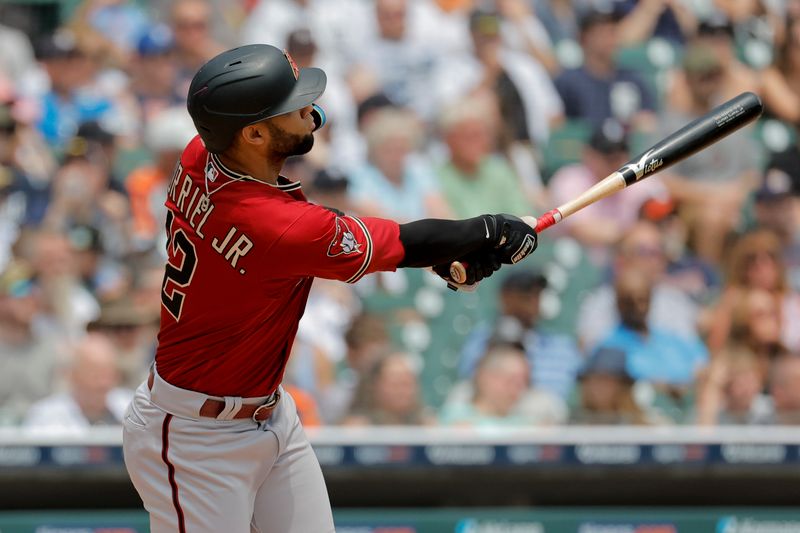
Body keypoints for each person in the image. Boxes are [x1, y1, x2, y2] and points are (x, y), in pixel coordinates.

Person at [121, 43, 539, 533]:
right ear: (253, 133)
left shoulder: (202, 153)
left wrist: (444, 254)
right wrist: (488, 230)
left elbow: (342, 239)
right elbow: (398, 241)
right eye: (292, 105)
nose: (310, 109)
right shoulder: (273, 224)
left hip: (268, 415)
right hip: (196, 439)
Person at [458, 269, 582, 400]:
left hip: (542, 414)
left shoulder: (559, 344)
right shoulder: (482, 338)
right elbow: (471, 378)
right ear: (504, 297)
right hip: (496, 410)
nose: (532, 302)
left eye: (537, 295)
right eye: (525, 295)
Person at [23, 333, 133, 431]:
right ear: (72, 375)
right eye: (95, 375)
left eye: (110, 375)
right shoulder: (44, 417)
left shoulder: (134, 407)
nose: (103, 383)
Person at [441, 345, 567, 427]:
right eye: (513, 381)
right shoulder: (455, 414)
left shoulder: (520, 421)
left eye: (524, 383)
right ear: (486, 377)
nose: (519, 390)